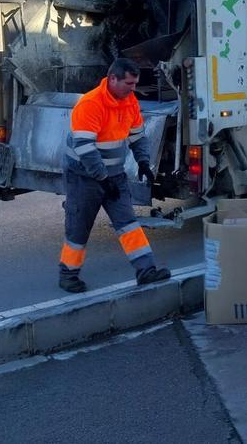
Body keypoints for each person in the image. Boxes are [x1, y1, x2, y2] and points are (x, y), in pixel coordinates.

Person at [58, 58, 171, 293]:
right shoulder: (90, 104)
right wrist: (102, 178)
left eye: (135, 83)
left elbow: (138, 136)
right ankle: (68, 275)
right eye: (129, 83)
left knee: (128, 223)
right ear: (112, 79)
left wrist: (143, 162)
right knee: (79, 226)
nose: (133, 88)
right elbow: (86, 149)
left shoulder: (130, 102)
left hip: (114, 175)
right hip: (84, 177)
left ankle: (146, 271)